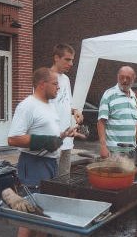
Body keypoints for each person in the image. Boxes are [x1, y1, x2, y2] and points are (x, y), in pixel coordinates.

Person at [8, 67, 75, 237]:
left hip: (50, 164)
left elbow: (48, 136)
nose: (58, 88)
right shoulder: (27, 105)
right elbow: (13, 138)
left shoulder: (50, 105)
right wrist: (44, 141)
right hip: (32, 164)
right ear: (42, 84)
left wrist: (61, 136)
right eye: (55, 84)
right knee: (29, 215)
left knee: (44, 214)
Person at [50, 43, 83, 176]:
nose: (71, 64)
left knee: (64, 177)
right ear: (56, 58)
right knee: (50, 178)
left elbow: (66, 104)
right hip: (53, 137)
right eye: (67, 59)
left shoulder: (66, 79)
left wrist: (75, 111)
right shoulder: (45, 77)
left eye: (72, 60)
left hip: (67, 137)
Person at [97, 66, 137, 158]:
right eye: (122, 77)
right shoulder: (108, 94)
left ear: (134, 79)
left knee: (130, 173)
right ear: (117, 77)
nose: (124, 80)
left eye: (128, 78)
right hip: (114, 151)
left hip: (131, 150)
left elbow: (135, 122)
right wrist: (103, 146)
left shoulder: (133, 96)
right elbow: (101, 122)